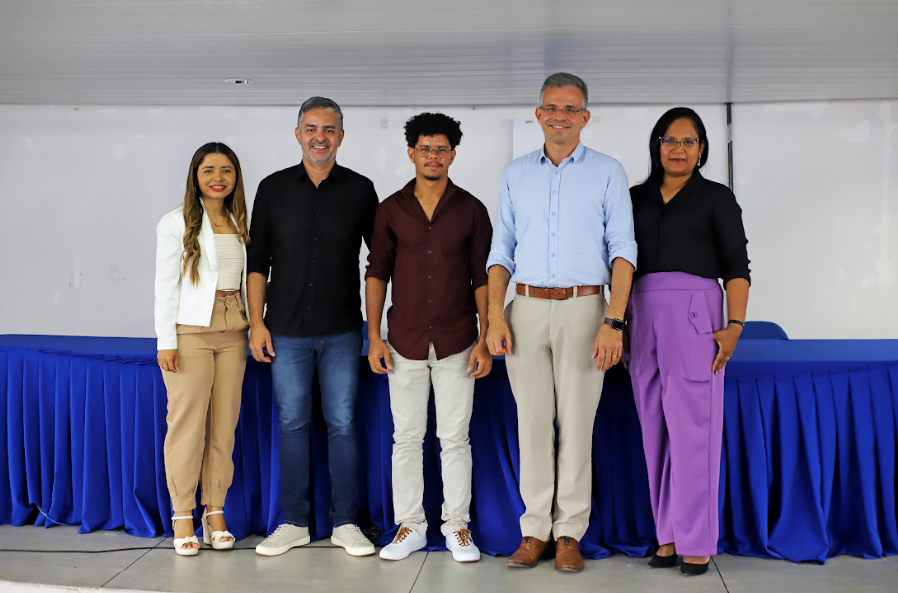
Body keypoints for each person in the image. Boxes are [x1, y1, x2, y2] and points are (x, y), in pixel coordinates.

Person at [485, 73, 637, 572]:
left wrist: (614, 321)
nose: (560, 116)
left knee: (576, 425)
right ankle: (534, 531)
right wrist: (495, 316)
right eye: (552, 107)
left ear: (585, 117)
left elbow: (623, 250)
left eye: (571, 109)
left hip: (586, 309)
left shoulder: (608, 172)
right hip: (525, 308)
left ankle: (569, 531)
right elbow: (501, 251)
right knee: (531, 425)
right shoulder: (515, 173)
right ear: (538, 114)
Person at [248, 97, 379, 558]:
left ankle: (346, 523)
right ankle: (294, 522)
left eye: (328, 129)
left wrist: (377, 328)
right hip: (284, 330)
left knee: (343, 424)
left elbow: (380, 263)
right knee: (292, 423)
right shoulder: (272, 189)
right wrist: (256, 324)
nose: (319, 137)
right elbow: (257, 262)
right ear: (298, 134)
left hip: (342, 330)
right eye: (311, 128)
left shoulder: (361, 190)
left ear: (340, 136)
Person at [365, 113, 493, 563]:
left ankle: (457, 527)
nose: (433, 156)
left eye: (441, 149)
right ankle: (411, 527)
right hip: (403, 340)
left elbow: (483, 277)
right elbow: (376, 274)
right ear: (411, 153)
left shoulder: (472, 209)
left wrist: (485, 338)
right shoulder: (390, 209)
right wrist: (374, 337)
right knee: (406, 438)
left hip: (458, 340)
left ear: (452, 155)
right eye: (425, 149)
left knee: (455, 439)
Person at [627, 107, 750, 576]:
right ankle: (669, 535)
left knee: (693, 428)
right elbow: (617, 260)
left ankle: (697, 540)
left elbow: (737, 267)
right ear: (656, 145)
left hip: (695, 310)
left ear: (701, 150)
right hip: (640, 310)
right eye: (670, 140)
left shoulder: (716, 197)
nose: (678, 149)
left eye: (689, 141)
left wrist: (735, 325)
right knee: (654, 427)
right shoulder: (633, 198)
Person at [154, 142, 250, 556]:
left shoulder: (240, 220)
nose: (218, 178)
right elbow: (164, 287)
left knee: (224, 425)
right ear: (195, 176)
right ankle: (182, 514)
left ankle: (215, 512)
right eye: (208, 169)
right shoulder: (174, 223)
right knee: (187, 425)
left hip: (235, 329)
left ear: (235, 177)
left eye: (226, 170)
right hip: (191, 331)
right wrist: (166, 341)